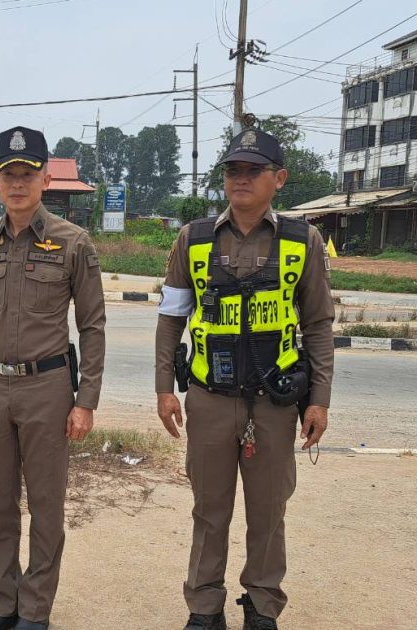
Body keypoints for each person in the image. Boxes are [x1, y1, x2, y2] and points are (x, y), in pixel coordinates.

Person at [154, 128, 335, 630]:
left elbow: (318, 324)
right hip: (209, 399)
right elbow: (171, 318)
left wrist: (319, 399)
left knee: (269, 512)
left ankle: (262, 605)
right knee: (209, 510)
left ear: (280, 178)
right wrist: (165, 388)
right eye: (234, 169)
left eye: (254, 170)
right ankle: (204, 607)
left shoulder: (302, 240)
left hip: (275, 403)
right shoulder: (193, 239)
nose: (241, 178)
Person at [0, 126, 106, 630]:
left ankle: (35, 611)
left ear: (45, 180)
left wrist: (86, 400)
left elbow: (92, 326)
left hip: (47, 389)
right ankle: (2, 604)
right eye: (9, 174)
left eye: (28, 174)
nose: (18, 183)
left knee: (45, 505)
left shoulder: (72, 242)